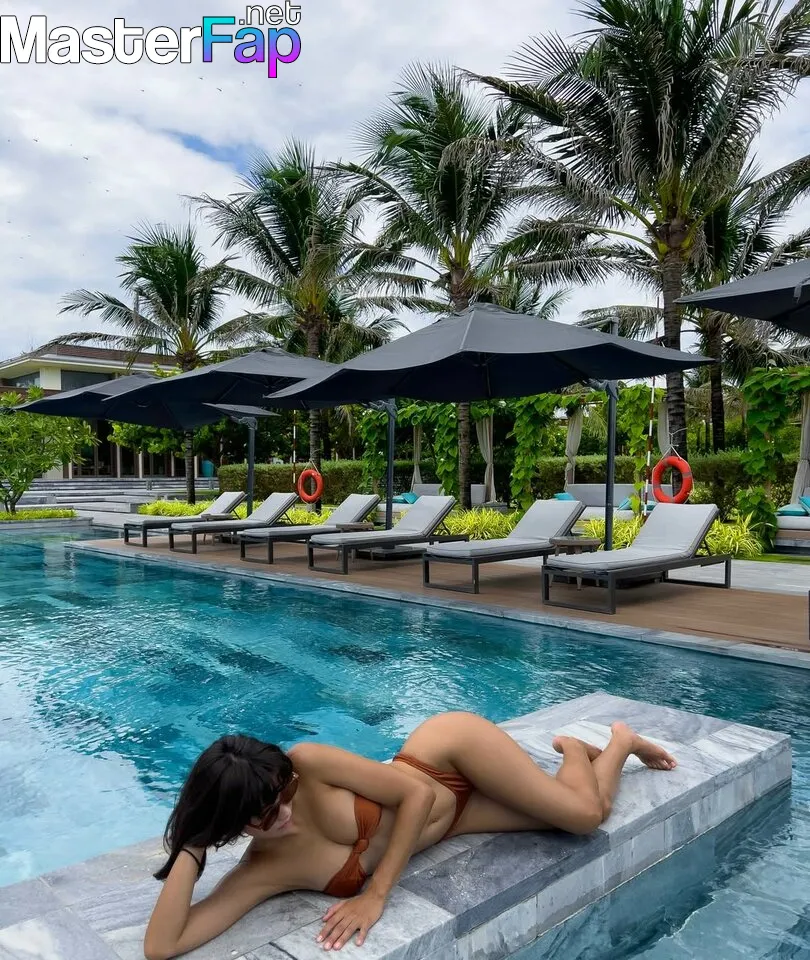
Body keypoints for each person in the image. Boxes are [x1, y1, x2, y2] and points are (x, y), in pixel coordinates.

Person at [143, 711, 676, 960]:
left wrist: (376, 894)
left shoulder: (308, 763)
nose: (284, 811)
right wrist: (193, 843)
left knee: (582, 818)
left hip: (446, 757)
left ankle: (601, 745)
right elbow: (162, 946)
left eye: (285, 793)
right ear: (230, 823)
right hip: (459, 819)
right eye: (263, 815)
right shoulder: (261, 873)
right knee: (590, 812)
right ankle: (604, 747)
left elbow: (415, 795)